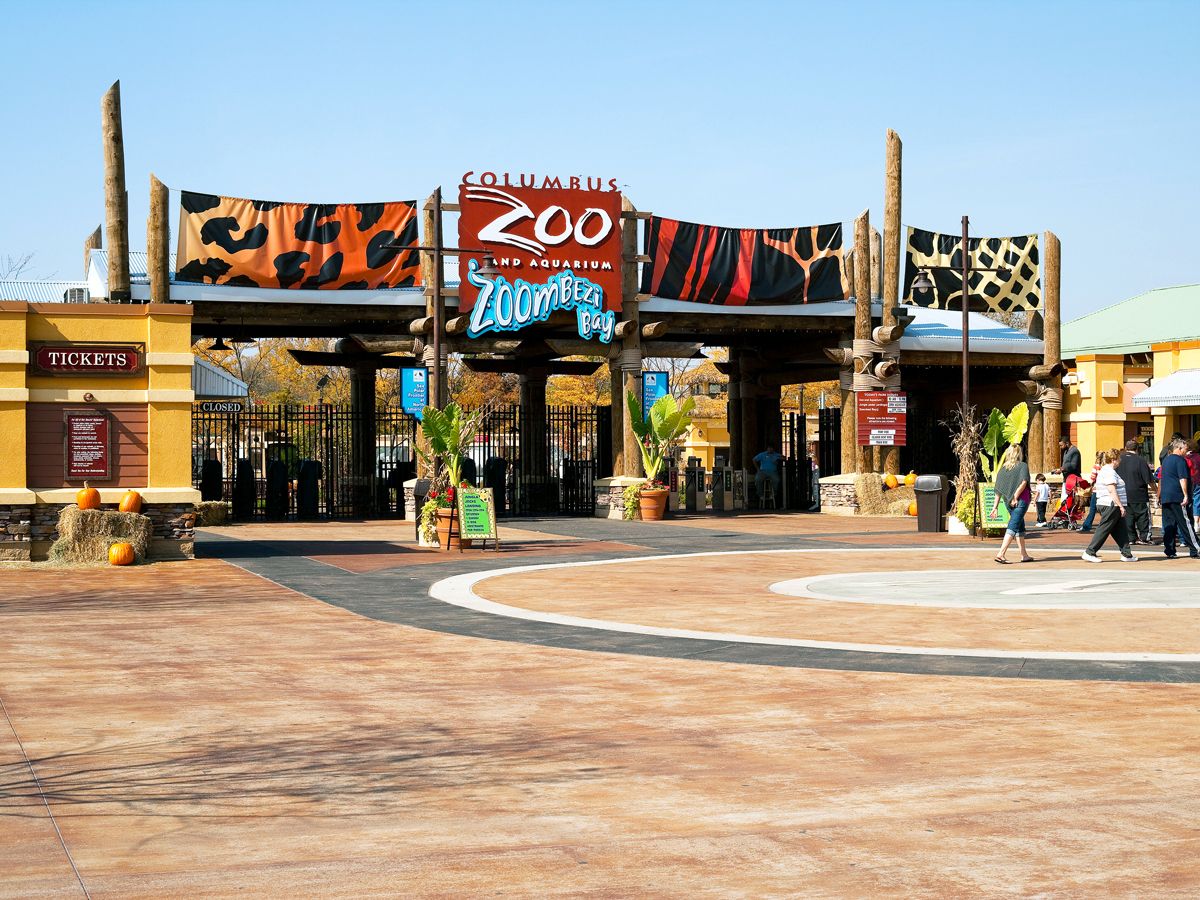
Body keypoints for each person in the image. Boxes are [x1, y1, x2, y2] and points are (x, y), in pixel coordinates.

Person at [1082, 448, 1137, 563]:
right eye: (1118, 458)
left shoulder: (1109, 471)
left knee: (1120, 530)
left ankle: (1127, 554)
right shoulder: (1108, 471)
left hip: (1112, 504)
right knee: (1104, 528)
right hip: (1110, 504)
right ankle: (1089, 552)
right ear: (1113, 460)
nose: (1120, 461)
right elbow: (1112, 490)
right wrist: (1120, 506)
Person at [990, 444, 1034, 564]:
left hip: (1007, 502)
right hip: (1021, 500)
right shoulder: (1023, 466)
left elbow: (998, 490)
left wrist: (995, 507)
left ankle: (1024, 555)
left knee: (1019, 526)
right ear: (1019, 454)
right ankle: (1001, 554)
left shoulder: (1003, 469)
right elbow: (1024, 482)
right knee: (1013, 525)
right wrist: (1015, 496)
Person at [1159, 437, 1200, 559]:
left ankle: (1170, 550)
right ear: (1179, 448)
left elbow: (1162, 478)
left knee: (1169, 524)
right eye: (1185, 449)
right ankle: (1195, 549)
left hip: (1166, 496)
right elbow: (1183, 478)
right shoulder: (1180, 461)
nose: (1186, 452)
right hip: (1177, 496)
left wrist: (1159, 495)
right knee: (1185, 523)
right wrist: (1186, 495)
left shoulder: (1166, 460)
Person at [1116, 440, 1156, 544]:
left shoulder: (1119, 460)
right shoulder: (1140, 460)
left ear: (1125, 448)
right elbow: (1149, 480)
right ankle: (1144, 537)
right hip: (1139, 493)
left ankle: (1131, 538)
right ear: (1137, 449)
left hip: (1123, 494)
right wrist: (1156, 491)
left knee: (1128, 517)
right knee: (1142, 516)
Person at [1078, 451, 1104, 533]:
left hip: (1097, 489)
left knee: (1092, 509)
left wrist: (1089, 484)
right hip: (1105, 490)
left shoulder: (1096, 467)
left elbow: (1092, 478)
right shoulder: (1106, 466)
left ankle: (1086, 525)